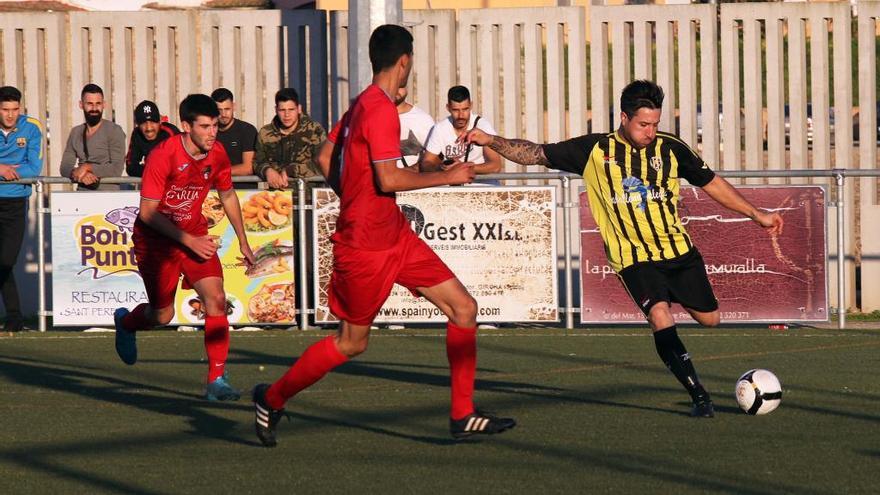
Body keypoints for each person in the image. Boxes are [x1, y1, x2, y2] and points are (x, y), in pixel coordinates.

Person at [251, 24, 516, 448]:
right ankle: (271, 397)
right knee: (352, 342)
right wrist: (448, 176)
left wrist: (353, 194)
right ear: (405, 61)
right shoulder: (377, 111)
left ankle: (462, 414)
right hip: (365, 247)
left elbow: (324, 156)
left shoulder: (361, 104)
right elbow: (389, 177)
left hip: (393, 233)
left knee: (464, 309)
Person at [464, 79, 784, 418]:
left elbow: (711, 182)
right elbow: (534, 154)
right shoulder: (594, 151)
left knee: (710, 319)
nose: (650, 131)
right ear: (623, 117)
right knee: (660, 316)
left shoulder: (671, 148)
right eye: (643, 124)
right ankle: (699, 396)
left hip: (676, 251)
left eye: (655, 124)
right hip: (632, 258)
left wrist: (755, 214)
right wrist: (490, 141)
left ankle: (688, 346)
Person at [113, 94, 256, 401]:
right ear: (185, 126)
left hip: (192, 234)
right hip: (155, 242)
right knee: (161, 316)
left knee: (216, 299)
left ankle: (216, 380)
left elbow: (228, 195)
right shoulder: (162, 156)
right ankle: (126, 323)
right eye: (205, 126)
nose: (212, 132)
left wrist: (244, 241)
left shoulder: (216, 154)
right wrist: (189, 240)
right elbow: (148, 213)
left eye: (215, 125)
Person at [0, 86, 42, 333]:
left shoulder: (32, 127)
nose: (10, 114)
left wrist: (8, 172)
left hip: (15, 203)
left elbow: (33, 169)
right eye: (5, 109)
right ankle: (15, 318)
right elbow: (18, 169)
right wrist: (2, 168)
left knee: (5, 261)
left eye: (15, 109)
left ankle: (14, 316)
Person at [422, 85, 503, 184]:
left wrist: (464, 167)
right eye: (456, 110)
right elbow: (427, 163)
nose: (461, 115)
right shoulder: (440, 128)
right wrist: (442, 167)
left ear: (471, 105)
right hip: (454, 191)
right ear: (448, 108)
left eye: (465, 109)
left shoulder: (482, 126)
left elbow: (495, 166)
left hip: (483, 187)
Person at [253, 88, 326, 190]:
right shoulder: (265, 133)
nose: (287, 115)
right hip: (277, 198)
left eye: (291, 109)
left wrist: (291, 170)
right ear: (276, 110)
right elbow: (257, 161)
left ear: (299, 109)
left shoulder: (314, 130)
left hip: (308, 199)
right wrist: (267, 170)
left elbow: (323, 162)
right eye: (282, 110)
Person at [59, 84, 126, 190]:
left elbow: (116, 169)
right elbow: (64, 167)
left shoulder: (114, 131)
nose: (94, 108)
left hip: (109, 197)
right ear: (81, 105)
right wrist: (77, 173)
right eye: (89, 104)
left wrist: (87, 167)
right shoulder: (76, 132)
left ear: (104, 104)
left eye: (98, 103)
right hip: (83, 195)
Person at [211, 88, 258, 188]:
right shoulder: (208, 132)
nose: (223, 115)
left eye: (227, 109)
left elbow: (248, 168)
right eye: (219, 110)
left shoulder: (247, 130)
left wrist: (217, 172)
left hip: (243, 194)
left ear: (234, 106)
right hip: (214, 193)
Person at [125, 100, 180, 178]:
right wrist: (154, 171)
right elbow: (131, 167)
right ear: (137, 124)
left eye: (153, 122)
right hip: (153, 181)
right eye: (143, 123)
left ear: (160, 120)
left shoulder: (170, 132)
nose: (149, 128)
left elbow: (184, 162)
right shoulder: (137, 134)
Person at [395, 86, 434, 169]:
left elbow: (436, 157)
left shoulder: (422, 119)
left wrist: (411, 171)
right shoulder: (373, 117)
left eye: (400, 85)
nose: (396, 88)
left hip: (413, 180)